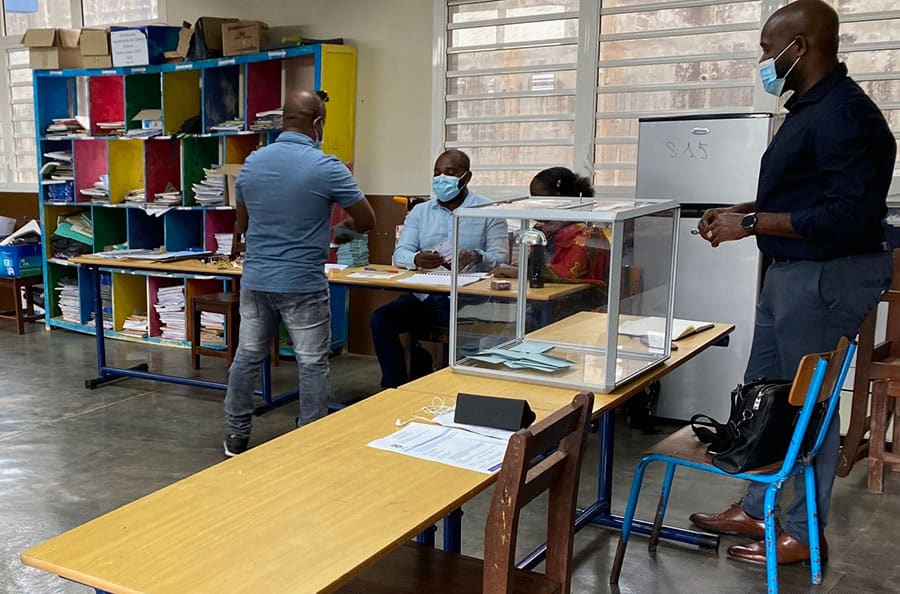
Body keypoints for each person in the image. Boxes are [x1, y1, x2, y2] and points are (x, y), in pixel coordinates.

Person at [690, 0, 895, 565]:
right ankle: (757, 508)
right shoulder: (809, 109)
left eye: (766, 49)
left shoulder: (846, 114)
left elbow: (847, 215)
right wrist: (745, 211)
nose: (763, 60)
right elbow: (805, 195)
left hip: (827, 277)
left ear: (798, 46)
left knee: (807, 406)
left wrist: (752, 223)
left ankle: (804, 534)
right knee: (767, 398)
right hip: (791, 273)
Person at [223, 90, 376, 457]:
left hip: (257, 280)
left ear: (283, 120)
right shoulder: (327, 167)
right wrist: (344, 230)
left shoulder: (252, 163)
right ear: (318, 123)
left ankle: (236, 435)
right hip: (302, 284)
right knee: (311, 362)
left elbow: (243, 224)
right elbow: (367, 220)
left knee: (247, 355)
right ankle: (310, 437)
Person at [369, 149, 509, 389]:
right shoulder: (420, 211)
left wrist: (477, 256)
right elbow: (399, 254)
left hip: (468, 296)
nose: (442, 178)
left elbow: (502, 258)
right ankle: (395, 387)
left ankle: (447, 381)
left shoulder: (487, 210)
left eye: (450, 173)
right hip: (425, 293)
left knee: (445, 312)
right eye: (437, 173)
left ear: (466, 177)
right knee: (381, 319)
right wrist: (416, 259)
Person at [494, 167, 609, 284]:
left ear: (560, 199)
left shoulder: (586, 235)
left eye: (539, 198)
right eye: (532, 198)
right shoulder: (542, 231)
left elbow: (569, 273)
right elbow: (534, 266)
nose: (533, 204)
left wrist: (521, 272)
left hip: (581, 294)